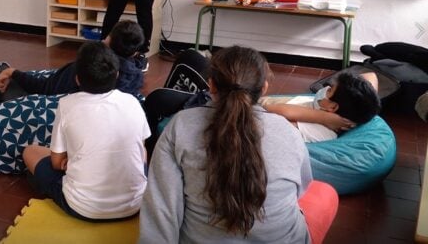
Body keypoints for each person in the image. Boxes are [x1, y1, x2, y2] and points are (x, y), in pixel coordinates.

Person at [140, 46, 338, 244]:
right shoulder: (288, 132)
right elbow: (301, 188)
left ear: (211, 86)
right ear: (264, 89)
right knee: (324, 194)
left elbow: (162, 209)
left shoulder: (181, 126)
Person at [22, 41, 150, 221]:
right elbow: (141, 151)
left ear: (77, 78)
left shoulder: (66, 104)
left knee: (30, 152)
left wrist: (71, 163)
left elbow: (57, 162)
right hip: (134, 205)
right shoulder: (132, 102)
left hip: (83, 207)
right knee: (140, 152)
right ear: (117, 74)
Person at [0, 20, 145, 107]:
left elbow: (46, 88)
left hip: (37, 105)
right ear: (135, 51)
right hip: (53, 101)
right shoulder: (134, 78)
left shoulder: (90, 65)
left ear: (108, 41)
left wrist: (13, 72)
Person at [263, 72, 381, 143]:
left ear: (332, 107)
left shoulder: (321, 131)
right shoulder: (352, 109)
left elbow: (269, 111)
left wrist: (322, 118)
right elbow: (370, 75)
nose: (325, 89)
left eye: (330, 90)